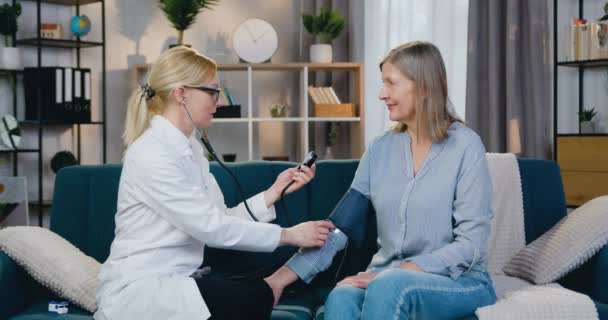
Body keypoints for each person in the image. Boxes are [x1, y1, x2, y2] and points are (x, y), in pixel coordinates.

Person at [94, 46, 334, 320]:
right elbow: (212, 228)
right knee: (252, 298)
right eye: (212, 91)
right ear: (181, 93)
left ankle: (275, 283)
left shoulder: (191, 150)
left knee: (248, 294)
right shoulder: (151, 153)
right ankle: (277, 282)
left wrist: (273, 193)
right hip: (141, 287)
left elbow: (220, 218)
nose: (218, 102)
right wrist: (290, 235)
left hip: (176, 280)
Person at [263, 41, 497, 319]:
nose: (381, 94)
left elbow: (471, 245)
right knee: (341, 297)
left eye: (391, 83)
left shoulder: (466, 146)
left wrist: (395, 274)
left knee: (388, 285)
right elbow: (339, 230)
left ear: (423, 86)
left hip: (459, 281)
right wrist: (278, 279)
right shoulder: (380, 149)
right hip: (386, 277)